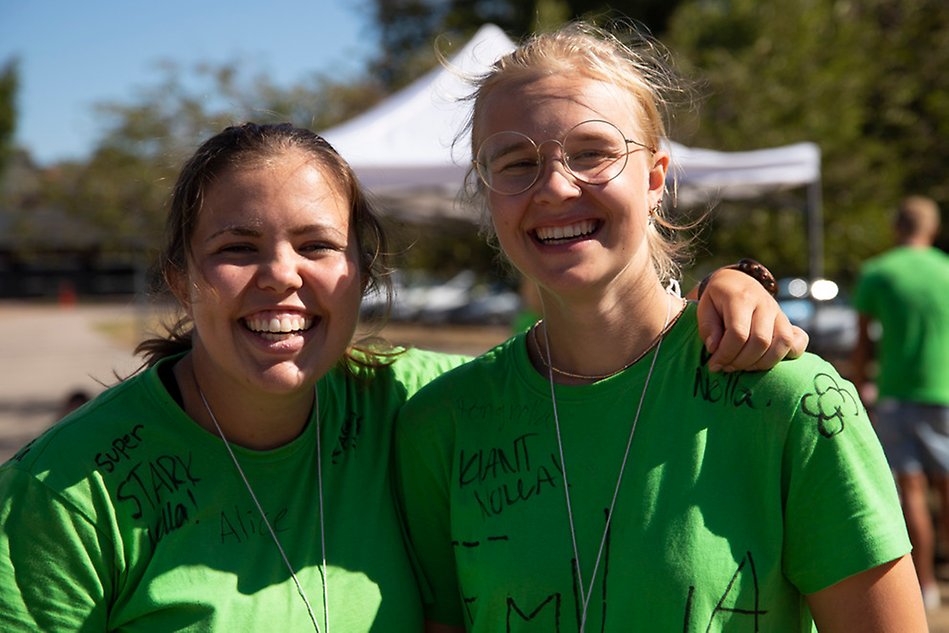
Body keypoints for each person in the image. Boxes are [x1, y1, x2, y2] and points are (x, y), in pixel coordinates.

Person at [0, 122, 805, 632]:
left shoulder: (414, 404)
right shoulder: (66, 493)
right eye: (237, 249)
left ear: (362, 275)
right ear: (181, 278)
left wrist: (721, 289)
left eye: (316, 245)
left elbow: (589, 358)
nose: (281, 277)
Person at [394, 21, 927, 633]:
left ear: (655, 179)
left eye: (592, 152)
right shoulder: (442, 424)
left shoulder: (791, 398)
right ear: (487, 196)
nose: (555, 186)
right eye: (516, 163)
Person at [851, 194, 949, 611]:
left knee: (909, 490)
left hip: (894, 395)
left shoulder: (878, 272)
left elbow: (862, 346)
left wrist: (855, 390)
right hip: (944, 392)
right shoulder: (946, 270)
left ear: (896, 228)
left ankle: (924, 584)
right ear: (933, 228)